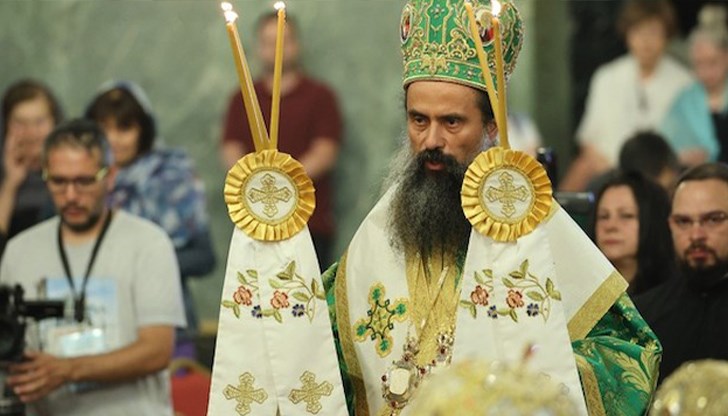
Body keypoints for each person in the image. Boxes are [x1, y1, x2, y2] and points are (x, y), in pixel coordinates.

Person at [209, 1, 662, 415]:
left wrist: (536, 377)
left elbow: (630, 352)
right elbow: (321, 348)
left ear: (491, 126)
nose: (431, 140)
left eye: (452, 122)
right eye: (418, 120)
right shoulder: (383, 229)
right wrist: (272, 286)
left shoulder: (530, 222)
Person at [0, 119, 186, 415]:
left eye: (84, 181)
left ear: (110, 176)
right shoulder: (20, 250)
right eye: (58, 182)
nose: (71, 195)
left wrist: (68, 369)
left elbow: (157, 351)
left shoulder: (148, 243)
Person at [85, 81, 214, 350]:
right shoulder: (76, 183)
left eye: (124, 128)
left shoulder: (173, 177)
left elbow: (204, 257)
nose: (113, 139)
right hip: (95, 328)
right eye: (103, 128)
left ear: (143, 130)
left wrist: (139, 266)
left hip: (170, 327)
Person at [220, 11, 342, 268]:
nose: (276, 49)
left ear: (297, 44)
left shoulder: (320, 96)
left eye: (283, 41)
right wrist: (260, 185)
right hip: (254, 226)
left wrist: (281, 182)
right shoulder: (242, 99)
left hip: (308, 223)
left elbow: (325, 152)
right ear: (257, 48)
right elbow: (231, 151)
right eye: (268, 42)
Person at [561, 0, 692, 191]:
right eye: (638, 32)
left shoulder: (684, 82)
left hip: (662, 177)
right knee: (581, 168)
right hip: (610, 172)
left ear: (667, 36)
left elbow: (690, 149)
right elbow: (588, 142)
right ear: (627, 34)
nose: (645, 41)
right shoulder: (606, 77)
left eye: (653, 32)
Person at [635, 163, 728, 385]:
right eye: (683, 222)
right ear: (670, 225)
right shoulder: (643, 319)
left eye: (713, 219)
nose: (696, 235)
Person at [661, 5, 728, 167]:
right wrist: (682, 156)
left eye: (713, 62)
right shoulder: (684, 102)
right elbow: (667, 145)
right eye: (699, 64)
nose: (706, 72)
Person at [0, 79, 62, 255]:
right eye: (20, 123)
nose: (31, 133)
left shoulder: (74, 172)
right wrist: (10, 184)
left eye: (39, 122)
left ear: (54, 123)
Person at [592, 171, 673, 295]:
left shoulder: (671, 295)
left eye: (626, 215)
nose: (610, 226)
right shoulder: (581, 293)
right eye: (603, 216)